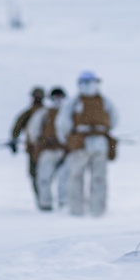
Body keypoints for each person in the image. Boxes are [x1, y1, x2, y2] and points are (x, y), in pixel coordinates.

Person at [55, 71, 119, 217]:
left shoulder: (104, 101)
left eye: (92, 83)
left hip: (99, 145)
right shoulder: (75, 102)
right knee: (77, 177)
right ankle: (77, 211)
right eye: (86, 83)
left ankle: (97, 212)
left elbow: (114, 119)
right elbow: (63, 123)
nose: (90, 86)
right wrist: (69, 140)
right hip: (80, 145)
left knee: (98, 178)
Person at [26, 86, 68, 211]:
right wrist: (38, 145)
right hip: (48, 151)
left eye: (60, 97)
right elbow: (33, 131)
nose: (58, 100)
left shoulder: (69, 113)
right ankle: (45, 205)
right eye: (55, 97)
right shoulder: (44, 113)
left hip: (66, 151)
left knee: (65, 178)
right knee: (43, 178)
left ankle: (64, 203)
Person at [10, 86, 45, 198]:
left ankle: (45, 198)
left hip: (47, 148)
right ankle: (41, 198)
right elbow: (17, 128)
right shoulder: (28, 113)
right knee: (35, 174)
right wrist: (13, 141)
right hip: (33, 148)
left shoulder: (48, 113)